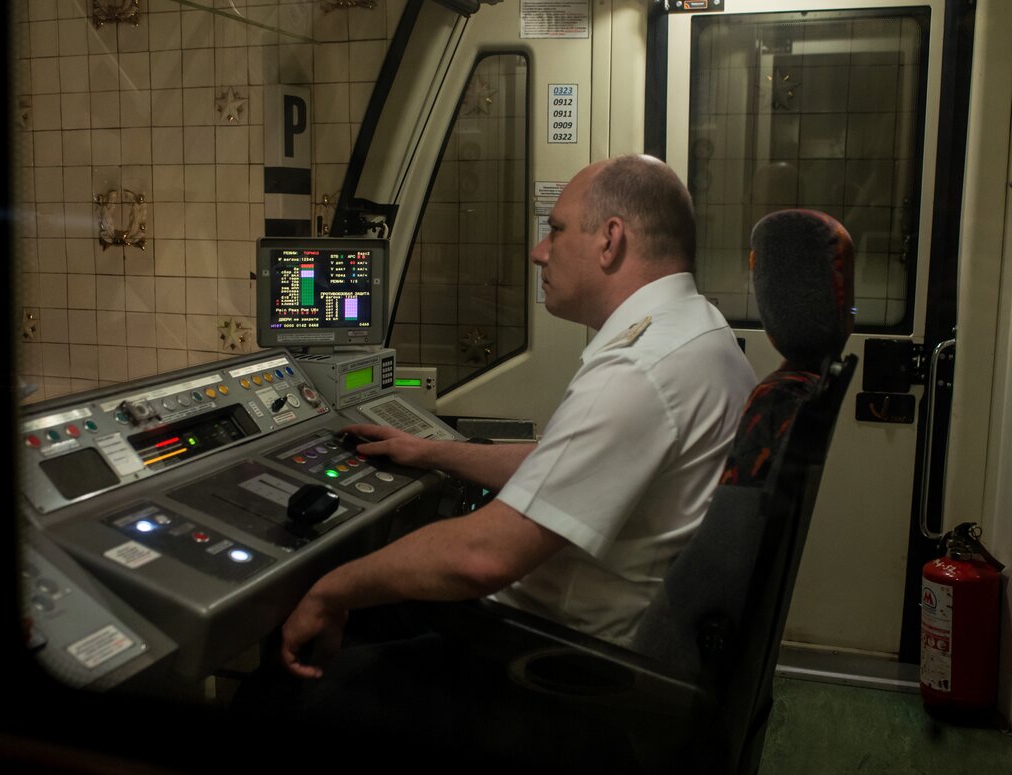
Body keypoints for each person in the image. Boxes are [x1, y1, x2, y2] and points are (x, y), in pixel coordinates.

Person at [280, 154, 757, 679]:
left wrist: (330, 590)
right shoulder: (698, 330)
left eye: (557, 230)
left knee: (297, 685)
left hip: (556, 661)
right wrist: (433, 452)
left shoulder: (639, 369)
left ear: (610, 239)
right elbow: (567, 464)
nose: (539, 252)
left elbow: (484, 557)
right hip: (587, 639)